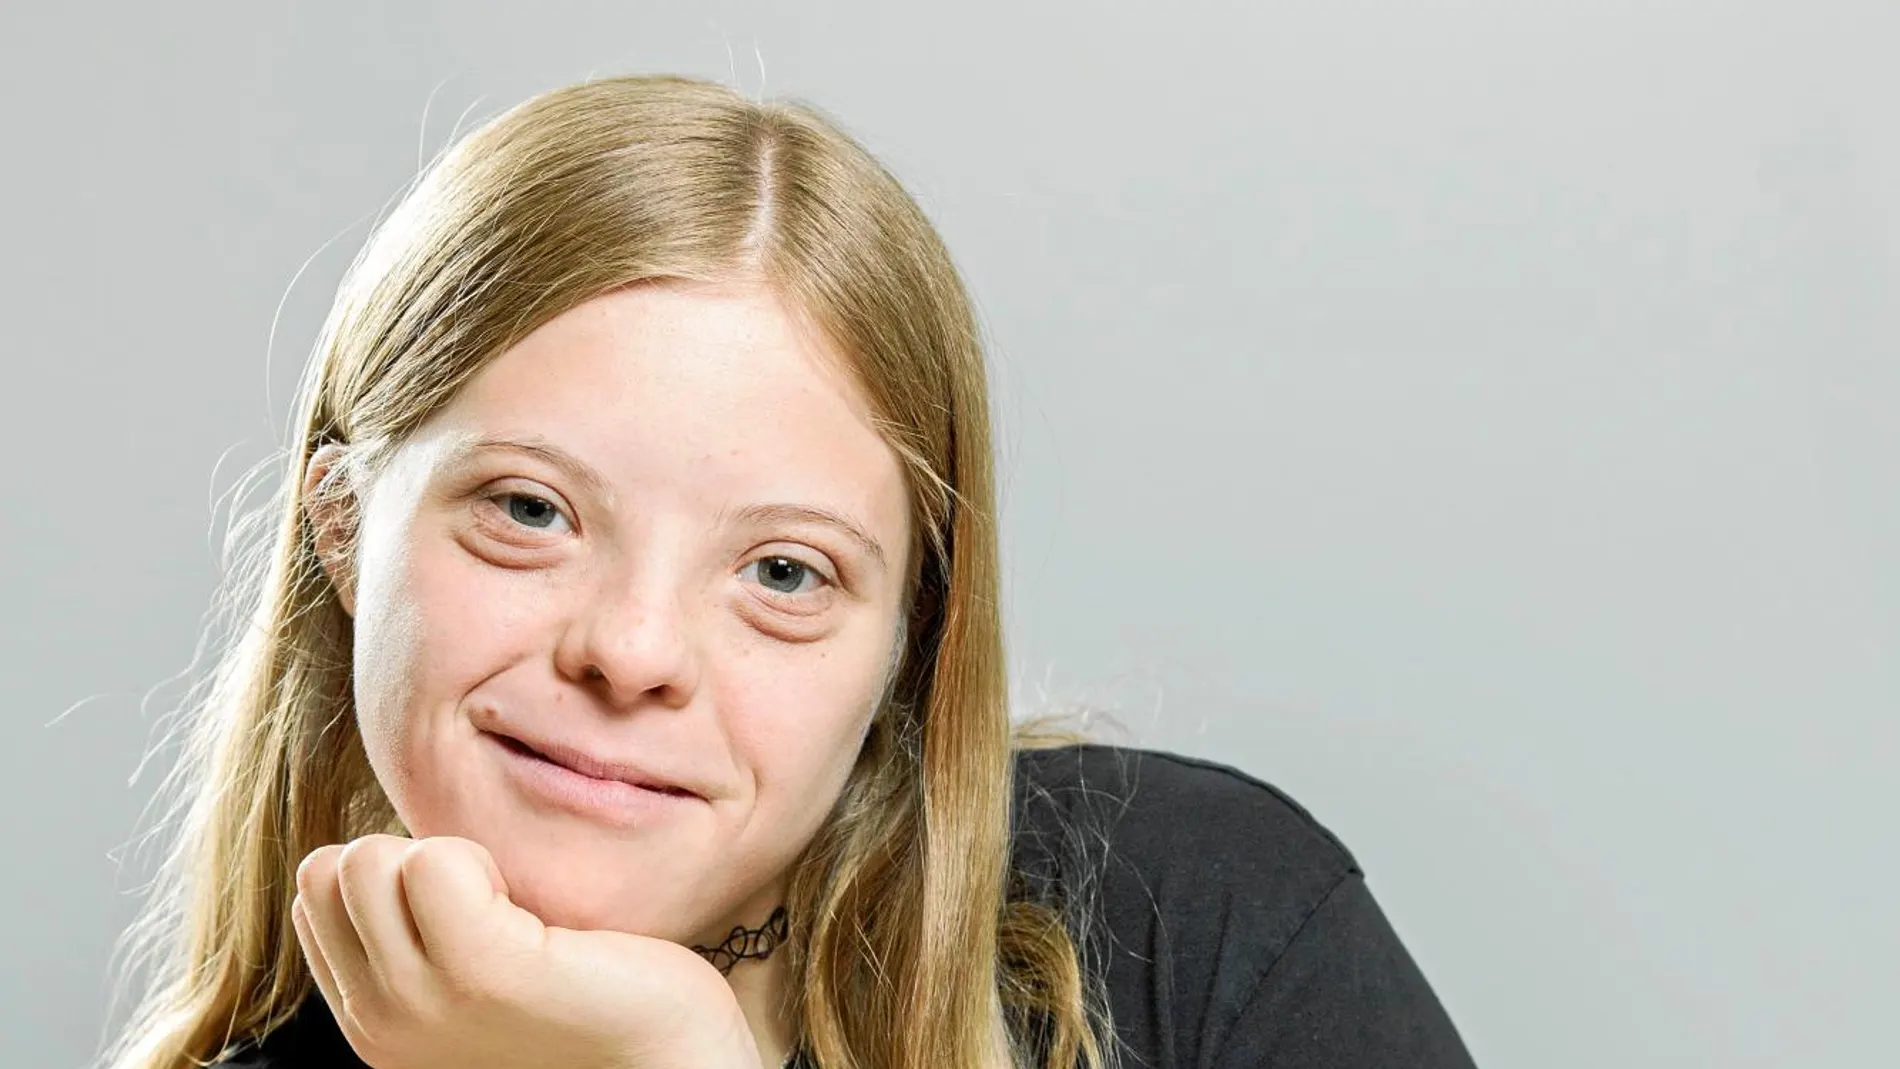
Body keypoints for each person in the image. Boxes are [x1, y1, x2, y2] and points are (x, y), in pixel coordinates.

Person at [99, 74, 1476, 1069]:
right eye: (529, 509)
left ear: (907, 641)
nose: (633, 651)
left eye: (783, 573)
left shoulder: (1197, 925)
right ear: (343, 523)